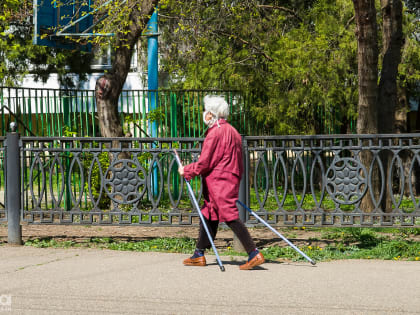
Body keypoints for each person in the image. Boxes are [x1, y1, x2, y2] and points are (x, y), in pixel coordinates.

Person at [177, 95, 264, 270]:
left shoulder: (214, 133)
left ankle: (253, 253)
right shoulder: (233, 131)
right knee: (209, 213)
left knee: (229, 215)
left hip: (219, 180)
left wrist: (186, 170)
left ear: (211, 114)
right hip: (230, 177)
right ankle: (199, 254)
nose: (204, 114)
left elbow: (205, 162)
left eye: (206, 111)